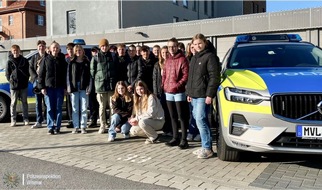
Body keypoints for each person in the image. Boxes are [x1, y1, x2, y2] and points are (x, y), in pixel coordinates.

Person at [186, 33, 221, 159]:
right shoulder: (194, 58)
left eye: (199, 43)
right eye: (195, 44)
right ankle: (204, 146)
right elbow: (191, 78)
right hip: (194, 95)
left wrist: (209, 95)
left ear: (205, 43)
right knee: (198, 118)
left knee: (201, 119)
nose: (197, 46)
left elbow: (214, 77)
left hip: (203, 95)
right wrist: (189, 93)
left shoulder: (210, 57)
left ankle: (207, 148)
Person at [162, 37, 189, 149]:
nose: (171, 48)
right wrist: (163, 84)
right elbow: (164, 74)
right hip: (168, 91)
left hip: (178, 92)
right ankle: (175, 137)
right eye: (169, 47)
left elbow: (185, 75)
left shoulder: (182, 59)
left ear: (177, 46)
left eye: (173, 46)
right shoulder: (167, 60)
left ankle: (184, 139)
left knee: (181, 116)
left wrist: (177, 85)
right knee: (172, 116)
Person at [39, 41, 67, 135]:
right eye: (53, 48)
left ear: (59, 49)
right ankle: (50, 127)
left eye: (57, 48)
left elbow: (64, 75)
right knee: (50, 108)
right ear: (50, 49)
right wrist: (42, 87)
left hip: (59, 88)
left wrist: (65, 87)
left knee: (58, 108)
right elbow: (41, 74)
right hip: (48, 87)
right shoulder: (45, 59)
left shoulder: (62, 60)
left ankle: (57, 127)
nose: (55, 49)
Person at [90, 38, 117, 134]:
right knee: (101, 107)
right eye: (102, 46)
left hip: (111, 86)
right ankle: (102, 125)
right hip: (100, 86)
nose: (104, 47)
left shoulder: (113, 56)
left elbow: (115, 70)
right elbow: (92, 72)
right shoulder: (96, 57)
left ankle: (112, 125)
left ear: (108, 47)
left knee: (112, 107)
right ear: (100, 47)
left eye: (106, 46)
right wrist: (99, 79)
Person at [67, 45, 91, 134]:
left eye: (80, 50)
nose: (78, 52)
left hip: (84, 87)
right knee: (75, 108)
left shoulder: (86, 62)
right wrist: (69, 87)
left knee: (84, 108)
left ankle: (83, 126)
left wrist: (89, 87)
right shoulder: (71, 62)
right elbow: (68, 76)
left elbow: (90, 76)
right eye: (76, 50)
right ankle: (76, 126)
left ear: (83, 51)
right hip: (74, 88)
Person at [5, 44, 30, 127]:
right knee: (13, 103)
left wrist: (25, 79)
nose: (15, 52)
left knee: (24, 102)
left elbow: (28, 71)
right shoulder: (9, 61)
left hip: (23, 85)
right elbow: (7, 74)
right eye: (14, 51)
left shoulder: (24, 60)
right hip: (14, 86)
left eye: (17, 50)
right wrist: (11, 81)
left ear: (19, 51)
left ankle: (25, 119)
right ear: (12, 52)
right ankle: (13, 119)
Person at [152, 46, 172, 136]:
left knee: (170, 111)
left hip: (170, 91)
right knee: (163, 111)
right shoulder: (157, 65)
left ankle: (170, 129)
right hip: (161, 92)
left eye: (166, 52)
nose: (165, 54)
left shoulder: (172, 62)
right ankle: (165, 129)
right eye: (163, 53)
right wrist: (156, 93)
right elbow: (155, 80)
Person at [29, 40, 48, 129]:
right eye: (40, 46)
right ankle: (39, 120)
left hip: (45, 83)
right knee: (38, 103)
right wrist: (35, 78)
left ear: (45, 47)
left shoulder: (48, 57)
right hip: (37, 83)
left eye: (43, 46)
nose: (41, 48)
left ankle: (48, 119)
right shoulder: (34, 57)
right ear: (37, 47)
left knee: (47, 103)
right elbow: (31, 69)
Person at [185, 42, 201, 141]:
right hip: (190, 91)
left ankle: (198, 133)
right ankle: (191, 131)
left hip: (200, 92)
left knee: (199, 115)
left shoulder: (202, 59)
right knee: (192, 113)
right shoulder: (187, 60)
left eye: (194, 46)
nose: (193, 49)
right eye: (191, 47)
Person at [88, 46, 100, 127]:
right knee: (92, 105)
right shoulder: (89, 61)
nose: (94, 52)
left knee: (100, 104)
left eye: (96, 51)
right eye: (93, 51)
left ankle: (103, 119)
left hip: (99, 85)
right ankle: (93, 120)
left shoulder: (101, 61)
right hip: (91, 86)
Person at [65, 42, 75, 128]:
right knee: (69, 104)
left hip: (76, 85)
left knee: (76, 104)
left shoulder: (78, 59)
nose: (70, 51)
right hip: (68, 85)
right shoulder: (65, 60)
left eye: (71, 49)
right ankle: (71, 120)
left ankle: (77, 120)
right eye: (68, 49)